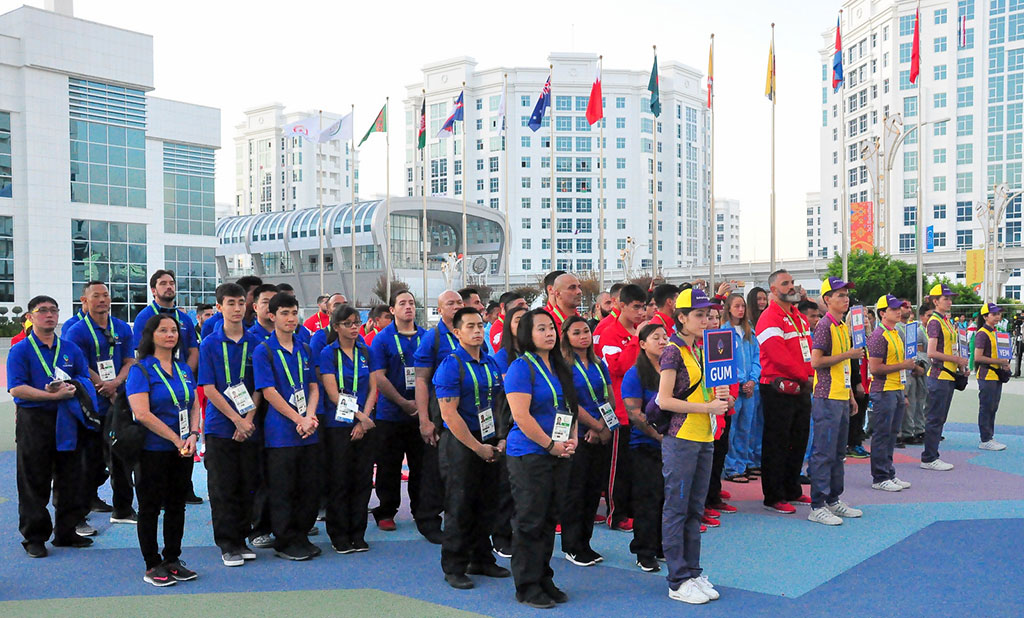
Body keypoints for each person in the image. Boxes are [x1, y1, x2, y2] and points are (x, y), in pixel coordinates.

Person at [7, 295, 98, 558]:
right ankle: (34, 537)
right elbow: (16, 387)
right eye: (42, 310)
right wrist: (50, 396)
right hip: (35, 420)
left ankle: (66, 531)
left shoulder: (69, 348)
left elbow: (83, 375)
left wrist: (72, 386)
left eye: (53, 310)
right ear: (31, 316)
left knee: (71, 476)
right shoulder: (20, 350)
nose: (49, 315)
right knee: (33, 479)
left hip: (67, 417)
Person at [657, 287, 729, 604]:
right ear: (682, 317)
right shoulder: (672, 350)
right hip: (682, 436)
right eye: (698, 315)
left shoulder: (701, 348)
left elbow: (704, 391)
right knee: (677, 508)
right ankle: (677, 579)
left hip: (703, 436)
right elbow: (664, 399)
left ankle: (693, 572)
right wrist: (708, 408)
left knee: (695, 510)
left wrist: (718, 399)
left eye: (708, 314)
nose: (705, 319)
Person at [504, 309, 578, 609]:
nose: (549, 333)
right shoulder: (522, 367)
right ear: (527, 335)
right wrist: (550, 445)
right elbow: (521, 416)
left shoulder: (560, 367)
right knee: (530, 520)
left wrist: (571, 439)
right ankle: (527, 584)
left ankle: (544, 576)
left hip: (558, 452)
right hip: (530, 454)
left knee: (549, 519)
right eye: (541, 329)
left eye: (552, 328)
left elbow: (570, 406)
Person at [433, 307, 510, 588]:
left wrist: (501, 438)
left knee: (488, 502)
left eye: (480, 325)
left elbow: (500, 404)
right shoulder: (451, 364)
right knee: (460, 504)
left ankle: (482, 559)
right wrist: (477, 447)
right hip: (462, 442)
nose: (477, 331)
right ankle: (454, 565)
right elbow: (449, 415)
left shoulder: (490, 363)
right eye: (470, 327)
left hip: (489, 437)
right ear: (457, 332)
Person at [126, 313, 202, 586]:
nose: (170, 335)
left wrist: (193, 433)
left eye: (174, 330)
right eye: (163, 331)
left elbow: (193, 403)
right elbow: (142, 413)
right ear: (151, 335)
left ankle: (172, 558)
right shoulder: (140, 370)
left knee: (176, 505)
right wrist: (174, 438)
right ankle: (152, 563)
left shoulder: (184, 369)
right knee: (149, 507)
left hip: (182, 448)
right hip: (152, 449)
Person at [198, 283, 264, 567]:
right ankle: (227, 543)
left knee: (248, 484)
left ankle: (241, 537)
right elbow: (209, 387)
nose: (237, 309)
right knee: (223, 487)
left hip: (249, 425)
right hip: (220, 425)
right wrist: (236, 419)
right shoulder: (210, 343)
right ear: (219, 307)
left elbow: (261, 386)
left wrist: (248, 420)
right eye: (231, 303)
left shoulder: (256, 344)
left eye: (241, 303)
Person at [252, 292, 321, 560]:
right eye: (284, 313)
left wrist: (311, 416)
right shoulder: (264, 350)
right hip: (281, 432)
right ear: (272, 316)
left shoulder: (305, 347)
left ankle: (301, 535)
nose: (291, 318)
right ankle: (284, 540)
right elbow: (268, 392)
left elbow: (313, 387)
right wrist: (298, 419)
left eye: (294, 313)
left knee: (308, 487)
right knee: (283, 488)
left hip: (308, 429)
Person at [64, 281, 136, 528]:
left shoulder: (122, 327)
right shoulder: (76, 331)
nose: (103, 300)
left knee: (122, 457)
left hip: (119, 401)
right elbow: (80, 366)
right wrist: (104, 386)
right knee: (90, 460)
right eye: (96, 296)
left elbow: (129, 360)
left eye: (106, 295)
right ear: (84, 301)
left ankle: (123, 508)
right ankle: (79, 515)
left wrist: (116, 383)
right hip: (93, 404)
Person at [319, 304, 378, 553]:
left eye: (357, 322)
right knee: (340, 480)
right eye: (348, 323)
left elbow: (374, 388)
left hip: (364, 423)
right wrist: (358, 418)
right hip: (338, 425)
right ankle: (339, 533)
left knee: (363, 480)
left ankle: (358, 532)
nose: (354, 327)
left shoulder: (366, 351)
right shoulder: (327, 353)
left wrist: (364, 420)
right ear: (336, 327)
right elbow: (332, 393)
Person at [754, 270, 813, 514]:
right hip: (777, 388)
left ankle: (792, 488)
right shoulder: (768, 318)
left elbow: (807, 351)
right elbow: (778, 356)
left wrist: (809, 375)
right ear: (774, 291)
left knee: (798, 440)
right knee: (777, 442)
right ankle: (774, 495)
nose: (792, 287)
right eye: (785, 284)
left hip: (800, 386)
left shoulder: (799, 318)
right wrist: (805, 376)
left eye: (792, 282)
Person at [807, 278, 864, 526]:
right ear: (827, 299)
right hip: (826, 396)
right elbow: (816, 362)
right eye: (839, 295)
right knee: (824, 452)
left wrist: (850, 394)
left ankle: (833, 499)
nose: (845, 298)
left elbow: (843, 367)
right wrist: (848, 355)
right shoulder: (824, 326)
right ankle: (817, 505)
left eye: (846, 295)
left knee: (838, 453)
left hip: (840, 395)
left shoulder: (841, 326)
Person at [560, 315, 615, 568]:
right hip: (578, 433)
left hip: (601, 431)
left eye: (586, 331)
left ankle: (586, 542)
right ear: (566, 337)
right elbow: (570, 401)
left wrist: (605, 425)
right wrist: (594, 426)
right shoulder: (563, 365)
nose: (584, 336)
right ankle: (572, 546)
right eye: (576, 332)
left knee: (593, 490)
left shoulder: (598, 362)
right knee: (575, 491)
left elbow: (609, 395)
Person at [370, 290, 427, 532]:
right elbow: (378, 377)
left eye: (411, 303)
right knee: (388, 466)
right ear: (392, 310)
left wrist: (421, 407)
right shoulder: (382, 339)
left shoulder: (426, 337)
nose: (408, 307)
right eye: (402, 303)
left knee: (422, 466)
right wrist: (403, 402)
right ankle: (386, 511)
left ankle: (422, 511)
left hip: (421, 414)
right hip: (390, 414)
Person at [413, 290, 465, 544]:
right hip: (440, 414)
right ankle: (429, 521)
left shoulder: (471, 333)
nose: (456, 307)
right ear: (440, 309)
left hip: (467, 415)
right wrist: (424, 420)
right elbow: (421, 381)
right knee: (435, 470)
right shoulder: (431, 338)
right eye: (450, 303)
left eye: (459, 303)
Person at [594, 283, 647, 531]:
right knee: (618, 467)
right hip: (619, 411)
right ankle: (615, 514)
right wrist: (636, 341)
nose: (641, 312)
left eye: (644, 307)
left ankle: (634, 509)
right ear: (620, 305)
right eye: (636, 307)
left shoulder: (639, 330)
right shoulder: (610, 332)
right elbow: (617, 368)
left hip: (640, 410)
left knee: (636, 466)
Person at [622, 323, 669, 572]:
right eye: (656, 337)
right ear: (642, 344)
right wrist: (658, 437)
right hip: (645, 446)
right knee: (648, 499)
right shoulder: (635, 374)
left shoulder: (672, 370)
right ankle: (644, 550)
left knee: (666, 498)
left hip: (671, 444)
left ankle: (660, 545)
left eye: (665, 337)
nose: (662, 341)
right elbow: (635, 415)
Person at [867, 295, 916, 492]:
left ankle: (888, 472)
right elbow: (875, 368)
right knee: (882, 435)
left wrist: (902, 392)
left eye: (899, 308)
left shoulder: (895, 333)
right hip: (883, 391)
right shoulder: (879, 336)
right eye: (894, 308)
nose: (899, 311)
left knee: (891, 434)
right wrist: (903, 365)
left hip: (895, 389)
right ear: (882, 313)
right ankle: (880, 476)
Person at [490, 304, 529, 557]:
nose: (522, 324)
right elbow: (499, 401)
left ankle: (520, 533)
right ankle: (500, 535)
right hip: (507, 428)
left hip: (533, 431)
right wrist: (502, 434)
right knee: (505, 488)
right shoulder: (501, 358)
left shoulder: (538, 356)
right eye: (517, 320)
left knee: (526, 490)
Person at [922, 284, 969, 471]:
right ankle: (929, 457)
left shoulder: (946, 321)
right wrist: (956, 359)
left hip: (948, 374)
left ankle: (932, 455)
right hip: (939, 375)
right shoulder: (935, 321)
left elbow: (948, 348)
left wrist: (959, 365)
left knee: (939, 417)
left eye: (950, 298)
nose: (949, 301)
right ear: (935, 301)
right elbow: (932, 352)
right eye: (945, 298)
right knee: (935, 417)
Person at [702, 306, 737, 522]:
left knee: (720, 452)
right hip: (707, 409)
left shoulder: (722, 340)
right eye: (708, 317)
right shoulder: (696, 345)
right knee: (708, 456)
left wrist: (731, 396)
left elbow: (729, 371)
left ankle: (713, 495)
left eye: (716, 317)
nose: (713, 321)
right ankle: (704, 501)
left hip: (724, 407)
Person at [723, 293, 761, 485]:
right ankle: (731, 466)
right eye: (737, 306)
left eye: (743, 306)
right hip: (733, 388)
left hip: (749, 388)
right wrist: (739, 380)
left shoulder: (749, 331)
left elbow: (756, 357)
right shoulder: (723, 332)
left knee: (747, 427)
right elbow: (724, 360)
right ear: (728, 308)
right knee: (733, 429)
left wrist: (752, 380)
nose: (740, 309)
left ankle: (743, 463)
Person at [132, 270, 199, 373]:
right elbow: (140, 353)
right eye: (163, 283)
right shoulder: (144, 317)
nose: (169, 286)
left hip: (182, 376)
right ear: (153, 291)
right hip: (156, 377)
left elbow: (193, 351)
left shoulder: (185, 318)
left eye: (171, 283)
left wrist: (186, 374)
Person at [975, 303, 1010, 451]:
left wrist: (1004, 363)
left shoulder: (996, 332)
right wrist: (1000, 362)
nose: (997, 316)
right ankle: (985, 439)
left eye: (998, 314)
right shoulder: (982, 333)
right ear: (985, 316)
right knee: (987, 407)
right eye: (993, 314)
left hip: (995, 375)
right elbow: (978, 357)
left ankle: (989, 436)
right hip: (987, 375)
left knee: (993, 407)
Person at [902, 299, 933, 445]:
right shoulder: (915, 331)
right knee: (909, 403)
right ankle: (907, 432)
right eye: (904, 307)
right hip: (907, 371)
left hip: (919, 369)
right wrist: (917, 366)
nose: (908, 309)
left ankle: (918, 429)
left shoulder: (912, 329)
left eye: (909, 307)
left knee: (918, 402)